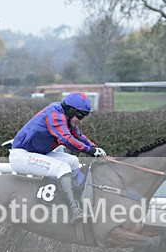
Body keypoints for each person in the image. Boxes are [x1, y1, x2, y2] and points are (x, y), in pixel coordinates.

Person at [9, 92, 106, 222]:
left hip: (37, 153)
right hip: (21, 155)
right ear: (71, 110)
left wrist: (96, 149)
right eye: (80, 116)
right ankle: (73, 211)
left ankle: (73, 195)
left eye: (83, 117)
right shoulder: (54, 114)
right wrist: (90, 151)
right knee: (62, 168)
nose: (81, 121)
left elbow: (79, 137)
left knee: (73, 161)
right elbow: (66, 139)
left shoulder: (67, 117)